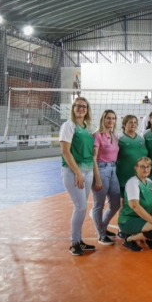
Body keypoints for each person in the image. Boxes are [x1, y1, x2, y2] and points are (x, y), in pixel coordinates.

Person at [61, 97, 97, 256]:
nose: (81, 108)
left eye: (84, 106)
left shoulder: (88, 127)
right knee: (80, 207)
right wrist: (77, 172)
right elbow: (65, 152)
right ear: (73, 108)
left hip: (88, 170)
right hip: (73, 171)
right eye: (78, 106)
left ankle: (79, 240)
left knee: (82, 208)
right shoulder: (68, 126)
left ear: (87, 109)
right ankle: (74, 242)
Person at [118, 157, 152, 252]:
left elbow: (151, 205)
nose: (145, 169)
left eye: (148, 166)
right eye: (142, 167)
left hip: (142, 219)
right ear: (136, 168)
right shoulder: (133, 182)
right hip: (128, 220)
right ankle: (129, 239)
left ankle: (138, 235)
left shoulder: (149, 182)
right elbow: (135, 206)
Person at [91, 109, 120, 245]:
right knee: (99, 205)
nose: (111, 121)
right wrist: (97, 178)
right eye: (108, 118)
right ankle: (101, 234)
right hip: (101, 169)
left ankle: (102, 225)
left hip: (113, 169)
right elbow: (93, 158)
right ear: (103, 119)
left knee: (115, 203)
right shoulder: (97, 135)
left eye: (113, 118)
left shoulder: (114, 136)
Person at [116, 115, 148, 194]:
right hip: (123, 175)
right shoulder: (118, 138)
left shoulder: (141, 138)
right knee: (123, 201)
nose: (133, 124)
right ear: (124, 124)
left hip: (139, 175)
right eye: (130, 122)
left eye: (135, 122)